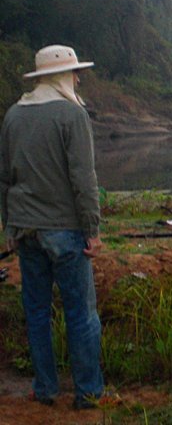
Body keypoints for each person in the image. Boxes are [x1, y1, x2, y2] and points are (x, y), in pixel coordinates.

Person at [0, 45, 105, 410]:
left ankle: (45, 389)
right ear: (64, 76)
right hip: (66, 231)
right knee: (81, 314)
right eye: (75, 73)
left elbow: (4, 179)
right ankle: (88, 392)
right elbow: (83, 179)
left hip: (25, 230)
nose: (78, 78)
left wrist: (8, 229)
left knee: (37, 313)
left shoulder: (13, 115)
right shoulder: (71, 115)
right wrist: (92, 229)